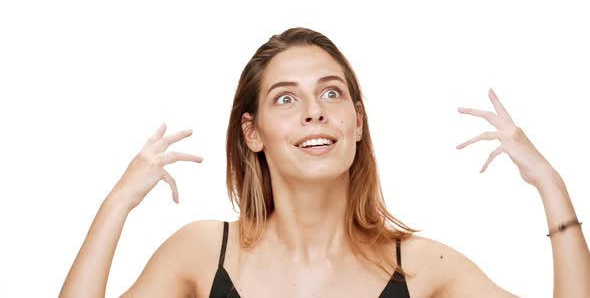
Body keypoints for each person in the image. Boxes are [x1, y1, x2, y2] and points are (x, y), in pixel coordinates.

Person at [59, 27, 589, 298]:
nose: (315, 113)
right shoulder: (201, 252)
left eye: (331, 94)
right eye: (286, 99)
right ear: (253, 132)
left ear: (357, 122)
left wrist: (551, 185)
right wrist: (118, 203)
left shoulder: (422, 266)